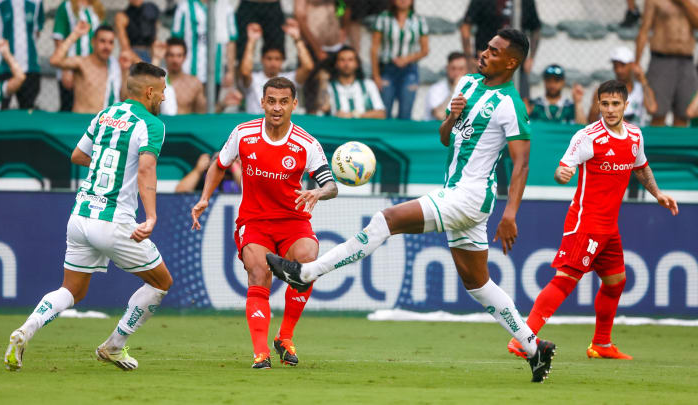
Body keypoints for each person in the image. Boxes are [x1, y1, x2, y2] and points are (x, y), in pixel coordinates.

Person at [267, 29, 556, 383]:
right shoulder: (466, 84)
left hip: (469, 196)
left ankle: (306, 272)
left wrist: (510, 213)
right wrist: (452, 117)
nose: (483, 53)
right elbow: (445, 136)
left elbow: (521, 162)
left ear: (511, 62)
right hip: (456, 192)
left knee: (386, 219)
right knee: (477, 283)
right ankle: (534, 347)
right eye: (485, 47)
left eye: (494, 51)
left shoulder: (511, 104)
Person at [4, 62, 172, 372]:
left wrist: (113, 162)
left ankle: (25, 330)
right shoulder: (151, 124)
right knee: (161, 281)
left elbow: (78, 155)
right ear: (149, 92)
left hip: (80, 216)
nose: (163, 97)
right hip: (113, 221)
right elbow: (147, 168)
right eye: (162, 91)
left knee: (72, 290)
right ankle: (114, 346)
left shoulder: (105, 115)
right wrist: (150, 217)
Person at [507, 80, 679, 361]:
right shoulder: (588, 136)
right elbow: (564, 168)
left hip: (609, 228)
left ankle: (601, 344)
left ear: (626, 105)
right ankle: (523, 339)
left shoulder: (635, 136)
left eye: (615, 104)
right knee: (565, 280)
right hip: (585, 224)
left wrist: (657, 193)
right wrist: (562, 174)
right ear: (598, 104)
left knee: (615, 282)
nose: (610, 110)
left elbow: (641, 167)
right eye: (605, 104)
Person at [190, 77, 338, 369]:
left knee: (308, 263)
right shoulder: (243, 134)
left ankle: (284, 337)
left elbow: (331, 186)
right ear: (262, 102)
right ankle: (261, 353)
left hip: (293, 221)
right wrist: (205, 198)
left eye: (284, 102)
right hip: (255, 221)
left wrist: (319, 192)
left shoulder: (306, 143)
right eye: (271, 101)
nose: (277, 108)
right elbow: (218, 165)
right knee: (259, 272)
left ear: (294, 104)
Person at [460, 0, 541, 102]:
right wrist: (469, 58)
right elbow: (465, 27)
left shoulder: (526, 2)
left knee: (520, 102)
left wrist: (531, 58)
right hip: (487, 62)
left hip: (516, 64)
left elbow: (536, 28)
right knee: (481, 101)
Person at [636, 0, 698, 126]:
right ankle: (656, 145)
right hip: (661, 60)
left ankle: (678, 145)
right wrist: (636, 62)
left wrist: (684, 3)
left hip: (686, 61)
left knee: (683, 114)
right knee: (658, 113)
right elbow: (644, 30)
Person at [238, 20, 314, 115]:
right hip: (257, 124)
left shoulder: (290, 79)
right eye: (269, 59)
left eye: (277, 59)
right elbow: (245, 72)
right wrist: (251, 41)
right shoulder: (254, 78)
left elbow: (308, 67)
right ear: (262, 59)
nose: (273, 63)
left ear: (283, 61)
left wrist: (297, 38)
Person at [371, 0, 429, 120]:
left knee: (405, 112)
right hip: (387, 68)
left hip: (409, 70)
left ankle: (401, 138)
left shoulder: (419, 20)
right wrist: (376, 75)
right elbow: (374, 48)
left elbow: (425, 50)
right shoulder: (383, 18)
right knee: (384, 111)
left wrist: (407, 59)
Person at [0, 0, 45, 110]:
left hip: (29, 68)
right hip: (1, 68)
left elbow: (36, 31)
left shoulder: (37, 2)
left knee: (27, 111)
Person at [50, 22, 122, 114]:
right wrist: (75, 35)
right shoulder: (82, 63)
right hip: (81, 122)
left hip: (104, 125)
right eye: (102, 41)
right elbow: (54, 60)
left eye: (110, 42)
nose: (106, 46)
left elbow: (123, 96)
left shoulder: (115, 67)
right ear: (93, 42)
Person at [171, 0, 238, 96]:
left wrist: (230, 71)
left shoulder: (225, 8)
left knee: (212, 109)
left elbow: (231, 41)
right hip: (189, 72)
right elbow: (176, 40)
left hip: (215, 74)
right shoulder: (184, 7)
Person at [52, 0, 105, 112]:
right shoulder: (66, 6)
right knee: (69, 106)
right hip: (72, 65)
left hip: (92, 69)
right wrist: (65, 69)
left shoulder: (96, 7)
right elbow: (59, 38)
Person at [295, 0, 346, 114]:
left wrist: (343, 29)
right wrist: (317, 48)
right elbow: (300, 17)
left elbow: (342, 6)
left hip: (335, 46)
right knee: (312, 90)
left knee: (335, 86)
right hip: (313, 47)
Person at [588, 47, 657, 126]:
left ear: (632, 65)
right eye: (616, 66)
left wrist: (642, 79)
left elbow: (652, 109)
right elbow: (591, 120)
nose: (619, 70)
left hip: (634, 136)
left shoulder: (641, 88)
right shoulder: (603, 91)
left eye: (623, 65)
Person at [325, 45, 385, 119]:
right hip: (338, 128)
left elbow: (381, 114)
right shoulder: (328, 87)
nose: (346, 64)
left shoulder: (368, 85)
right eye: (342, 60)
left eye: (350, 60)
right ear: (336, 64)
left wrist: (354, 115)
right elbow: (320, 111)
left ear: (357, 64)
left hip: (363, 129)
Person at [154, 38, 207, 114]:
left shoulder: (194, 83)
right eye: (171, 55)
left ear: (184, 57)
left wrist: (222, 105)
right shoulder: (156, 81)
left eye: (179, 55)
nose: (175, 60)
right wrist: (156, 58)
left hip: (186, 125)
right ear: (165, 56)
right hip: (163, 124)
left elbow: (202, 113)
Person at [424, 52, 468, 121]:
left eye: (461, 69)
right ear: (447, 68)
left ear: (466, 70)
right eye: (453, 68)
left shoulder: (472, 88)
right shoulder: (436, 89)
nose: (457, 73)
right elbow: (440, 115)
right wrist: (455, 90)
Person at [175, 153, 241, 193]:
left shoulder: (240, 175)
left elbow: (248, 190)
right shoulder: (204, 177)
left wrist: (234, 166)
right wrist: (198, 170)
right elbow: (180, 192)